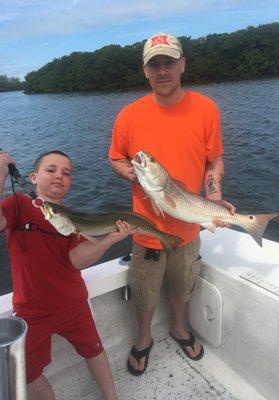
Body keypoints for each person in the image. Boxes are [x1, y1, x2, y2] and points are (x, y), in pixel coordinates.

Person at [108, 32, 236, 376]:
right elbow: (116, 158)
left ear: (182, 65)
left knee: (183, 285)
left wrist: (214, 196)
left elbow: (214, 161)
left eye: (168, 62)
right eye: (155, 64)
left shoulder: (206, 108)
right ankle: (143, 339)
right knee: (144, 292)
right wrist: (135, 175)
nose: (162, 70)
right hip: (146, 229)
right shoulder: (129, 115)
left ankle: (179, 328)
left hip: (190, 224)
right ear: (145, 71)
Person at [0, 149, 134, 400]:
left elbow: (75, 260)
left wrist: (111, 238)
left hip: (73, 304)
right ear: (33, 177)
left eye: (66, 173)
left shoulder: (72, 218)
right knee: (27, 373)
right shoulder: (17, 204)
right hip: (31, 310)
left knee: (94, 350)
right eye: (51, 170)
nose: (59, 176)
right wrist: (0, 171)